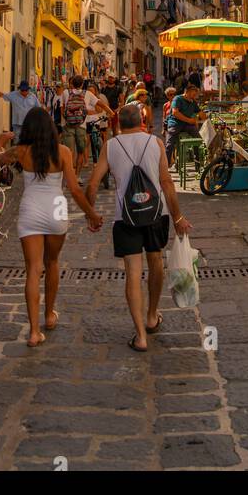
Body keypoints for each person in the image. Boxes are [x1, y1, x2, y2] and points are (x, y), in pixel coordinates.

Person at [0, 108, 102, 346]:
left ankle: (34, 332)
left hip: (31, 209)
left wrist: (0, 141)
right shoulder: (63, 152)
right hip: (56, 207)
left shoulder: (21, 151)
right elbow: (75, 190)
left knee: (33, 270)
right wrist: (92, 214)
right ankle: (49, 315)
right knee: (53, 262)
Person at [85, 103, 192, 352]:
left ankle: (140, 336)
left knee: (133, 272)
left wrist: (91, 214)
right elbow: (166, 183)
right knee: (155, 262)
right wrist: (178, 218)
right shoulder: (154, 143)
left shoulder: (111, 146)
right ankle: (152, 315)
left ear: (119, 124)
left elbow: (92, 185)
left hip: (126, 217)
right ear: (142, 121)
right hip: (157, 213)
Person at [165, 81, 204, 166]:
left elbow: (201, 113)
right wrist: (189, 120)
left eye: (195, 95)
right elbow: (175, 113)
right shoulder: (177, 99)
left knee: (198, 140)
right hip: (175, 123)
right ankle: (165, 165)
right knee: (169, 144)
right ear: (186, 93)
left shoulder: (193, 101)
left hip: (186, 125)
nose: (194, 97)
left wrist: (207, 117)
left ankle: (198, 162)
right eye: (193, 95)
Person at [60, 80, 88, 174]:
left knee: (69, 152)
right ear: (82, 84)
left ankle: (69, 175)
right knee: (80, 152)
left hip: (68, 125)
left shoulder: (65, 92)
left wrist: (66, 118)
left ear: (71, 84)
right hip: (81, 126)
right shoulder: (86, 93)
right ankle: (77, 176)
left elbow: (62, 107)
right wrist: (110, 112)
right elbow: (99, 103)